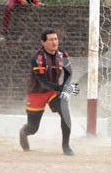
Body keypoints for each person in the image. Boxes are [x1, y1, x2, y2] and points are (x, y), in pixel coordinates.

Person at [19, 28, 79, 156]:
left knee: (65, 113)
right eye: (51, 40)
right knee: (33, 128)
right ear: (43, 42)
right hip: (36, 93)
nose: (54, 42)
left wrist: (65, 89)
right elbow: (43, 82)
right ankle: (24, 132)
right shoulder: (38, 58)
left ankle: (66, 146)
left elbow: (69, 73)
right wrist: (64, 88)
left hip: (53, 92)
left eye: (56, 39)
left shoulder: (62, 55)